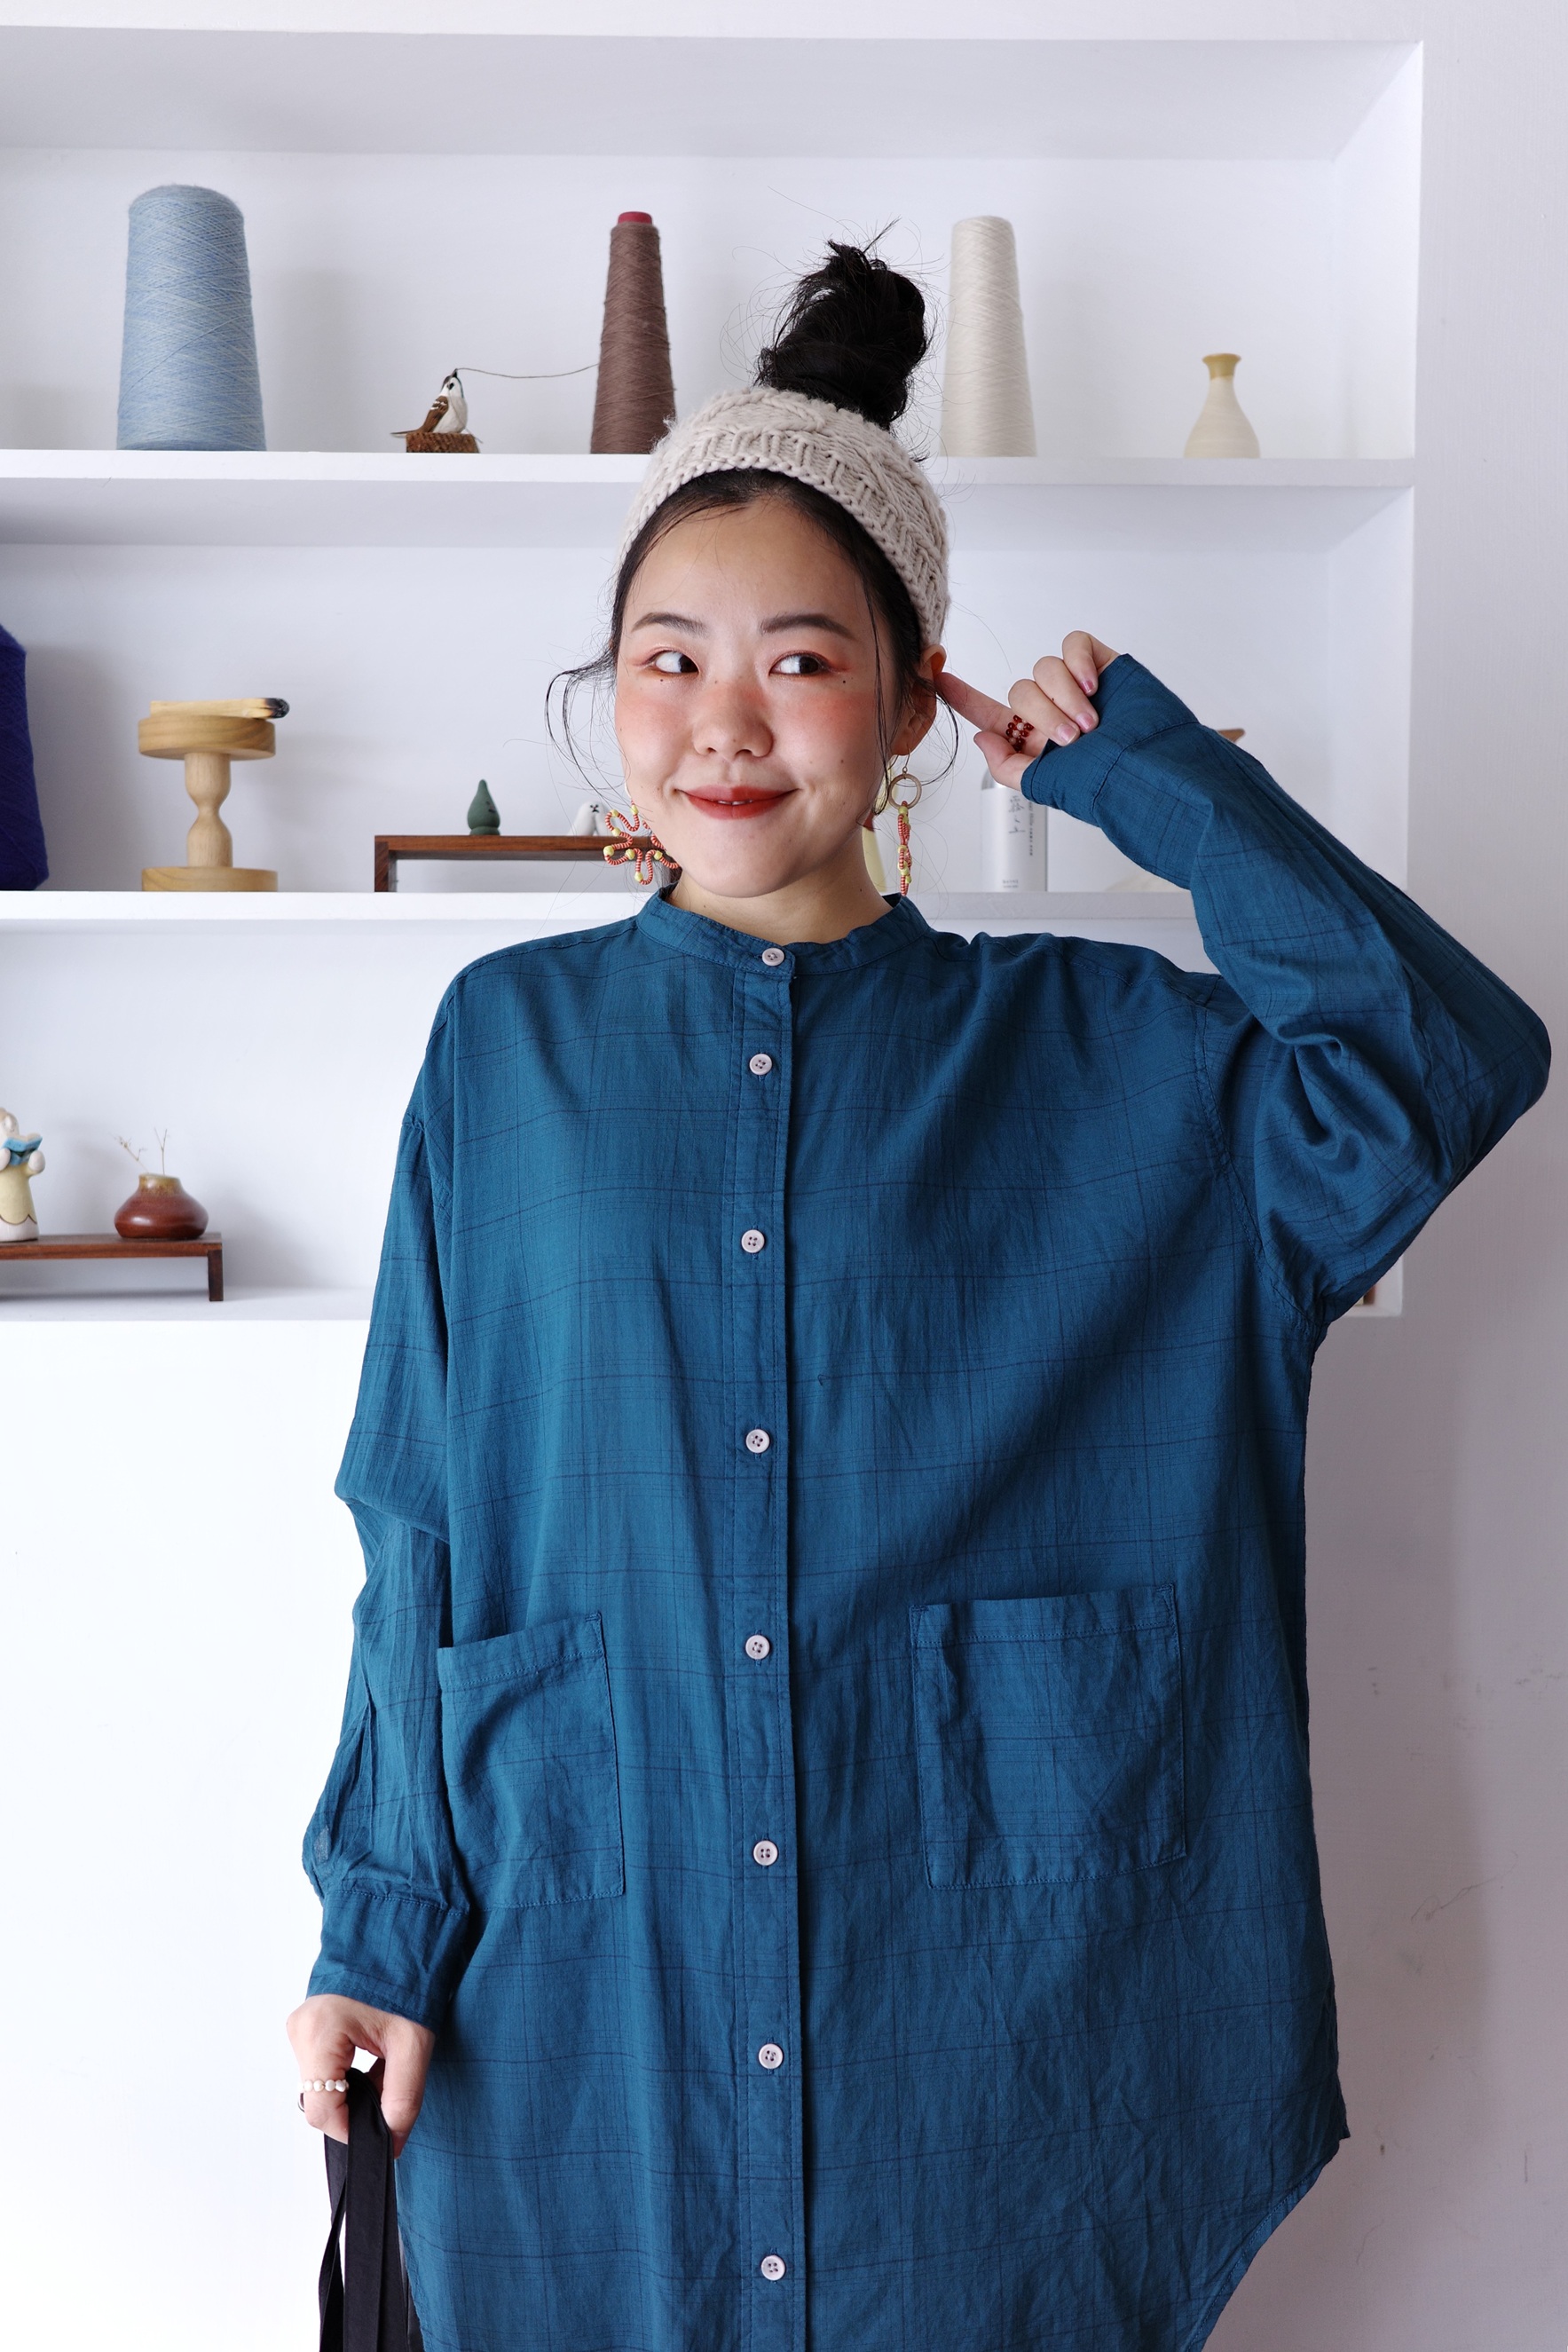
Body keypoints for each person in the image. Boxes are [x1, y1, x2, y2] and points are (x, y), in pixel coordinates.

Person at [288, 246, 1548, 2352]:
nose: (721, 717)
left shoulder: (1120, 1060)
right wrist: (378, 1919)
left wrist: (1140, 773)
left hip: (1005, 2045)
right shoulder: (503, 1052)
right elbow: (419, 1526)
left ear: (902, 705)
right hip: (598, 1985)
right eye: (667, 656)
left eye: (797, 657)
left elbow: (1439, 1062)